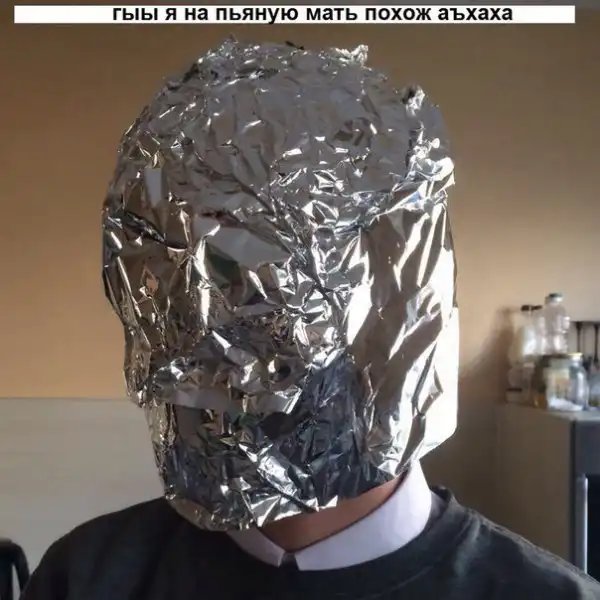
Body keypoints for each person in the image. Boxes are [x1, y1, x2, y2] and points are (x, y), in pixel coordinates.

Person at [23, 39, 600, 600]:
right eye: (158, 277)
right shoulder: (86, 578)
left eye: (248, 281)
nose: (192, 345)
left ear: (394, 300)